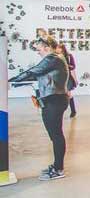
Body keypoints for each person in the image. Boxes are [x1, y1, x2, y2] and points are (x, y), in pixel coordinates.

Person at [9, 36, 70, 181]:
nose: (37, 50)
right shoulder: (54, 59)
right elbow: (36, 75)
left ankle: (58, 169)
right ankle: (57, 165)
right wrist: (15, 83)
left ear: (47, 46)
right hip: (52, 99)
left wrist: (9, 81)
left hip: (54, 100)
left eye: (39, 47)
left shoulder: (52, 58)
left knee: (56, 135)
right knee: (54, 135)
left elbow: (33, 71)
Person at [55, 43, 78, 118]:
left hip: (67, 77)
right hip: (58, 77)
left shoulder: (69, 56)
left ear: (62, 49)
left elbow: (73, 67)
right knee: (58, 94)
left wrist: (75, 79)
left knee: (68, 94)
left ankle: (73, 111)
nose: (57, 49)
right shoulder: (55, 56)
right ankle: (59, 111)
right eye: (56, 48)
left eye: (58, 48)